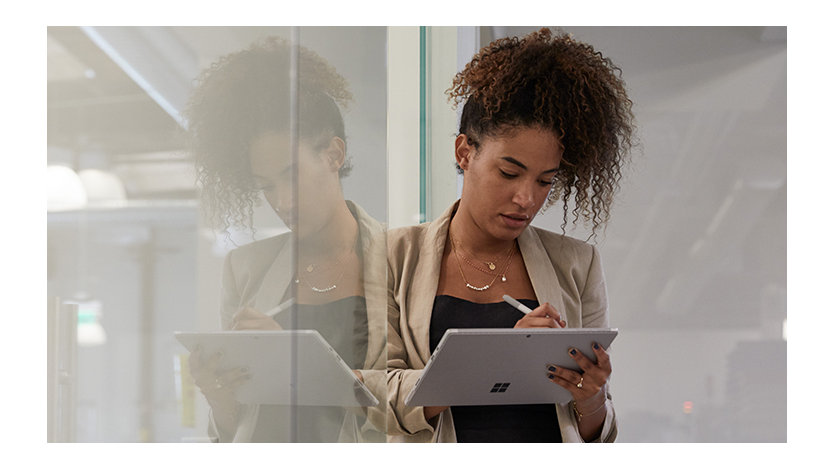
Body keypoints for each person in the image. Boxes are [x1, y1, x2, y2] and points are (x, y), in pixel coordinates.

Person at [386, 28, 635, 443]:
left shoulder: (577, 263)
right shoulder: (394, 256)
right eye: (509, 172)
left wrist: (591, 398)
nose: (526, 198)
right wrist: (498, 359)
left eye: (545, 181)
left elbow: (597, 435)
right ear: (465, 152)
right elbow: (376, 396)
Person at [183, 36, 387, 442]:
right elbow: (234, 427)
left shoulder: (402, 259)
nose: (282, 201)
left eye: (291, 175)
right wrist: (218, 395)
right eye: (266, 187)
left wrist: (296, 361)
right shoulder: (246, 269)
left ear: (333, 155)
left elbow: (412, 406)